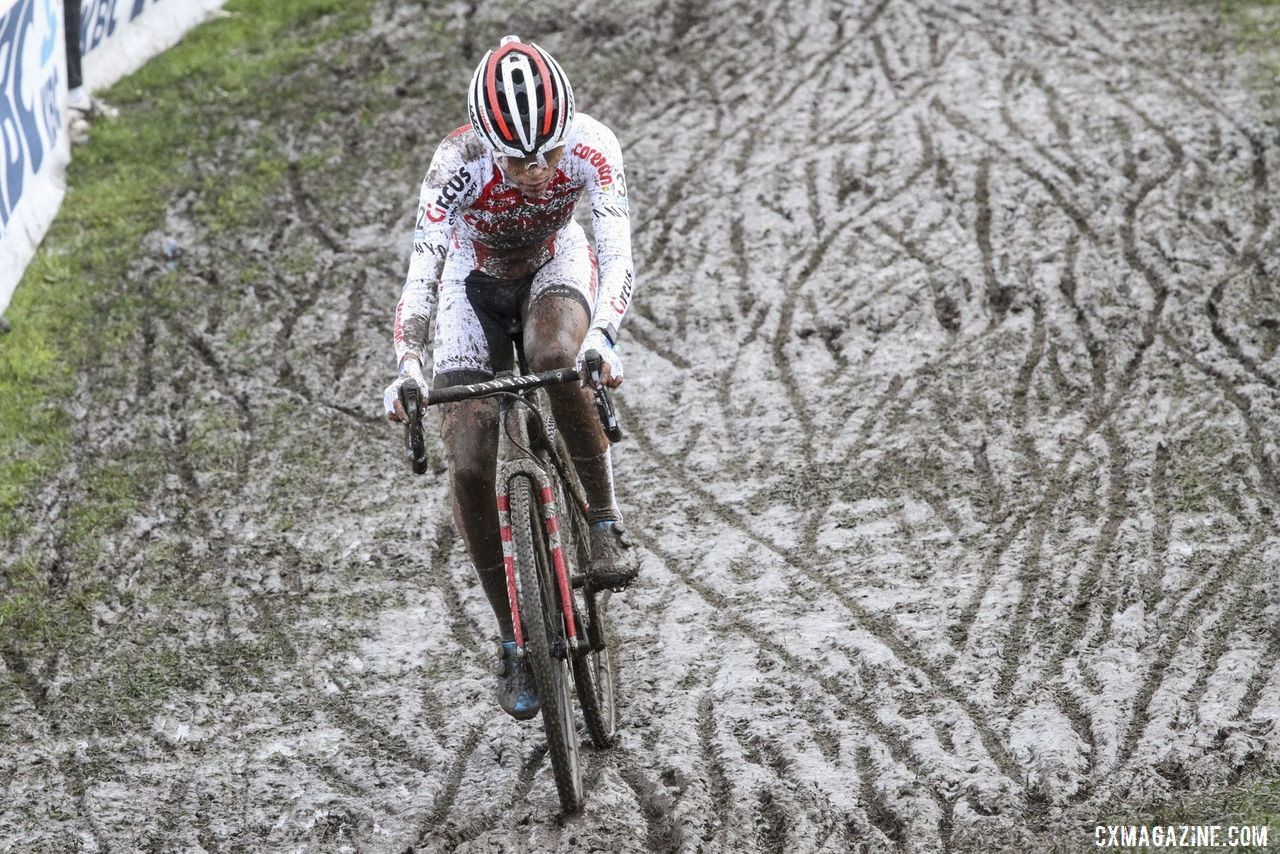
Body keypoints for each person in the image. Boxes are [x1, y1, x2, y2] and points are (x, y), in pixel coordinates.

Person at [382, 36, 639, 720]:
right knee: (468, 462)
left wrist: (606, 338)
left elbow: (615, 251)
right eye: (520, 160)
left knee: (558, 359)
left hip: (556, 261)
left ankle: (605, 520)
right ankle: (513, 639)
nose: (538, 171)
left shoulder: (590, 146)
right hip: (474, 277)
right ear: (489, 144)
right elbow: (422, 274)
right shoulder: (454, 166)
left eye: (550, 153)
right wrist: (407, 366)